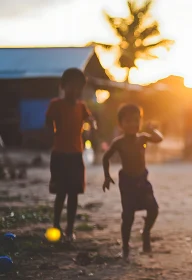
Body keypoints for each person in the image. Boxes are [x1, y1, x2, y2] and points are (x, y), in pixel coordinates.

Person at [102, 104, 163, 261]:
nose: (132, 124)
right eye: (128, 121)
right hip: (127, 183)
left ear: (140, 122)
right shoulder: (119, 142)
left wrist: (152, 130)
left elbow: (159, 139)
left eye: (136, 120)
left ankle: (146, 232)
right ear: (120, 124)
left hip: (142, 180)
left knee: (153, 209)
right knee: (128, 217)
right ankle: (125, 246)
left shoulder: (143, 137)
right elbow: (105, 157)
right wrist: (107, 176)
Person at [45, 68, 94, 242]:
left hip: (76, 155)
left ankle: (69, 229)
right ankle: (56, 224)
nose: (74, 90)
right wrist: (52, 131)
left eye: (78, 87)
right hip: (59, 155)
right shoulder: (56, 104)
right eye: (71, 86)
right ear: (63, 86)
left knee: (74, 193)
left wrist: (92, 128)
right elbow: (48, 121)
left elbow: (90, 120)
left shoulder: (81, 107)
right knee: (60, 192)